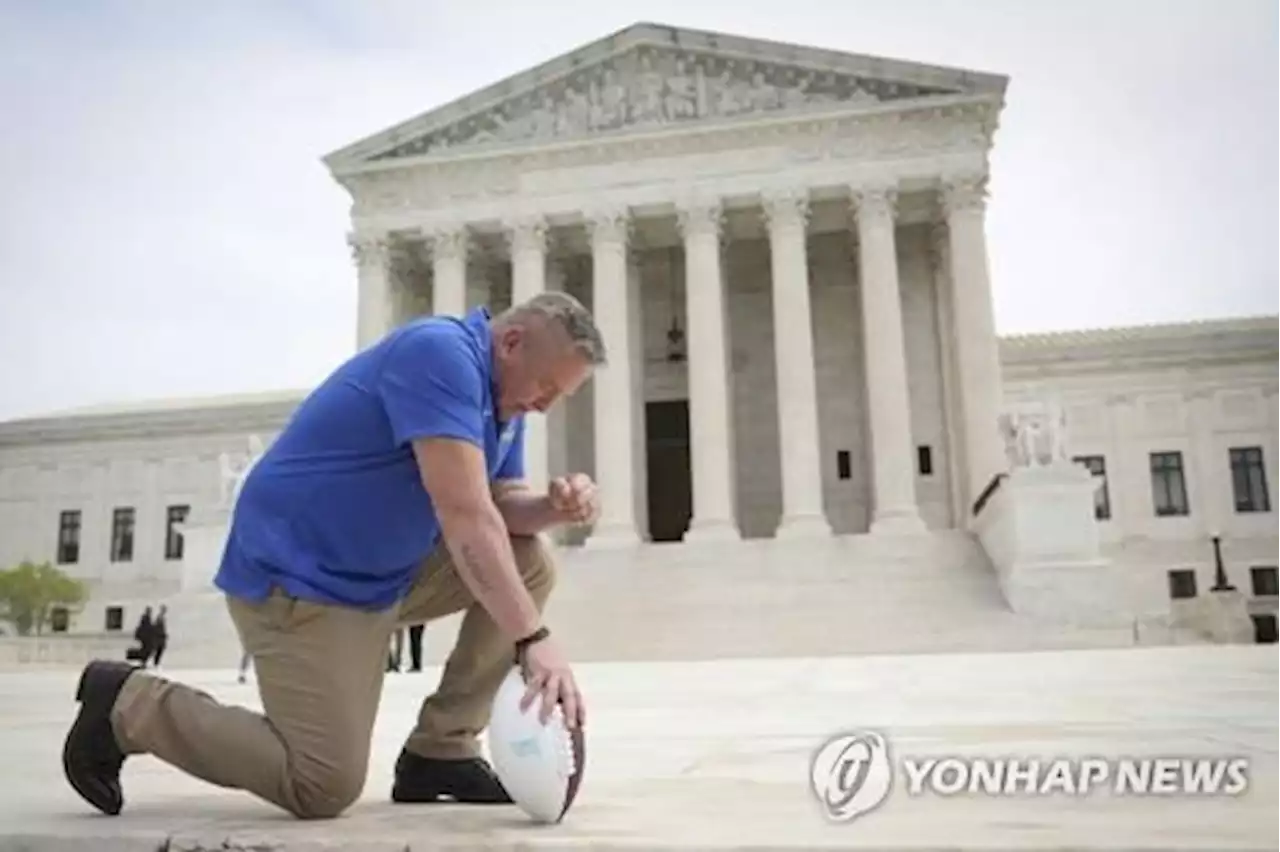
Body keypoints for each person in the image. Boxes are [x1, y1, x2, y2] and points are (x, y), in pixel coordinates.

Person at [61, 293, 606, 820]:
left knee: (530, 559)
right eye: (547, 387)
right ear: (511, 342)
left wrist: (552, 508)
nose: (545, 405)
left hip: (380, 575)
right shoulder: (439, 355)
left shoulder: (501, 402)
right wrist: (532, 638)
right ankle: (128, 704)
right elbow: (465, 514)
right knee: (320, 784)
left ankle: (442, 751)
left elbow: (503, 506)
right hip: (299, 579)